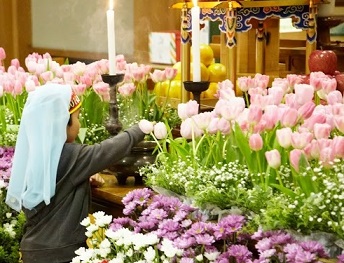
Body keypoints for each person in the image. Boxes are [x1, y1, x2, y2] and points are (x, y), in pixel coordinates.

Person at [5, 83, 145, 263]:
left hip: (33, 249)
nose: (79, 124)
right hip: (62, 254)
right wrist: (139, 130)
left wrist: (82, 179)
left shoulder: (32, 154)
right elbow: (106, 151)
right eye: (77, 118)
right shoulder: (71, 155)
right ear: (62, 121)